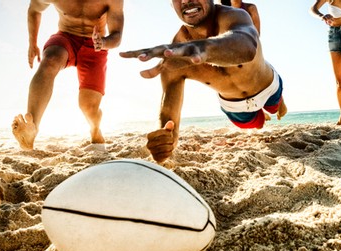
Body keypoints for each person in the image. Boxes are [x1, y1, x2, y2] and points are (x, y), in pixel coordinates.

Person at [119, 0, 287, 163]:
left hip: (268, 86)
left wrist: (202, 49)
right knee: (257, 125)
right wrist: (165, 143)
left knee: (276, 106)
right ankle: (261, 116)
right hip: (235, 105)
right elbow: (170, 125)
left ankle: (278, 105)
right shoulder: (173, 56)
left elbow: (246, 47)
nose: (186, 0)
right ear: (172, 4)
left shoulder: (235, 16)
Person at [11, 0, 124, 150]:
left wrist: (103, 42)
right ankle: (32, 126)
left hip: (96, 45)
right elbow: (34, 9)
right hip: (65, 37)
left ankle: (95, 130)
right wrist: (33, 43)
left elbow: (117, 35)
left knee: (88, 108)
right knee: (50, 61)